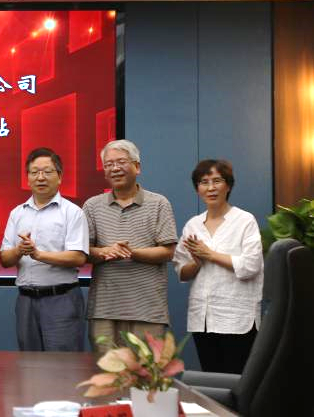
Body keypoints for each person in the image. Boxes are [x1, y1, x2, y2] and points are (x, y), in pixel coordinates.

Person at [83, 139, 178, 352]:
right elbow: (83, 252)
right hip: (104, 310)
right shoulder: (92, 206)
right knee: (105, 370)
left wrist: (131, 253)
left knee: (146, 370)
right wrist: (105, 251)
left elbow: (169, 251)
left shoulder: (159, 203)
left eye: (121, 162)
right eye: (109, 164)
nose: (115, 168)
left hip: (148, 310)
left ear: (137, 167)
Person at [173, 159, 263, 374]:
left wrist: (210, 255)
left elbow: (251, 265)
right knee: (211, 378)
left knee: (237, 380)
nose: (211, 187)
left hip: (236, 317)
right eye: (204, 182)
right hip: (202, 318)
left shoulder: (244, 220)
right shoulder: (193, 225)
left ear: (228, 185)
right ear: (197, 189)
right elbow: (182, 272)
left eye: (217, 181)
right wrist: (197, 262)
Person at [0, 147, 88, 351]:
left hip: (61, 299)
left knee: (63, 364)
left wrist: (38, 255)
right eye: (34, 172)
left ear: (60, 176)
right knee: (29, 363)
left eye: (47, 172)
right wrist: (19, 250)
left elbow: (78, 258)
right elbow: (4, 259)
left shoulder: (72, 212)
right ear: (28, 178)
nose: (40, 177)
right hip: (26, 300)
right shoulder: (17, 213)